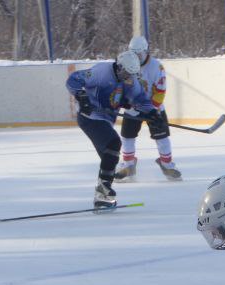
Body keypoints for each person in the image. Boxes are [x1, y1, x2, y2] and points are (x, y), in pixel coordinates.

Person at [65, 50, 158, 209]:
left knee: (110, 157)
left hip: (105, 120)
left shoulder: (130, 80)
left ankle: (102, 195)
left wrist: (153, 114)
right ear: (119, 67)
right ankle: (103, 191)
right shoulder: (101, 72)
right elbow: (73, 79)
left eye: (132, 74)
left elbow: (141, 99)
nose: (130, 78)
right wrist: (82, 96)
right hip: (89, 117)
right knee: (114, 143)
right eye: (127, 73)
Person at [115, 36, 181, 182]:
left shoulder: (156, 67)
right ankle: (128, 164)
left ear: (146, 51)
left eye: (139, 54)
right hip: (133, 107)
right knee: (127, 136)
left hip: (154, 108)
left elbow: (160, 90)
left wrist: (153, 109)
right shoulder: (125, 64)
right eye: (134, 54)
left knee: (162, 137)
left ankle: (167, 164)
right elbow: (120, 86)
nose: (137, 57)